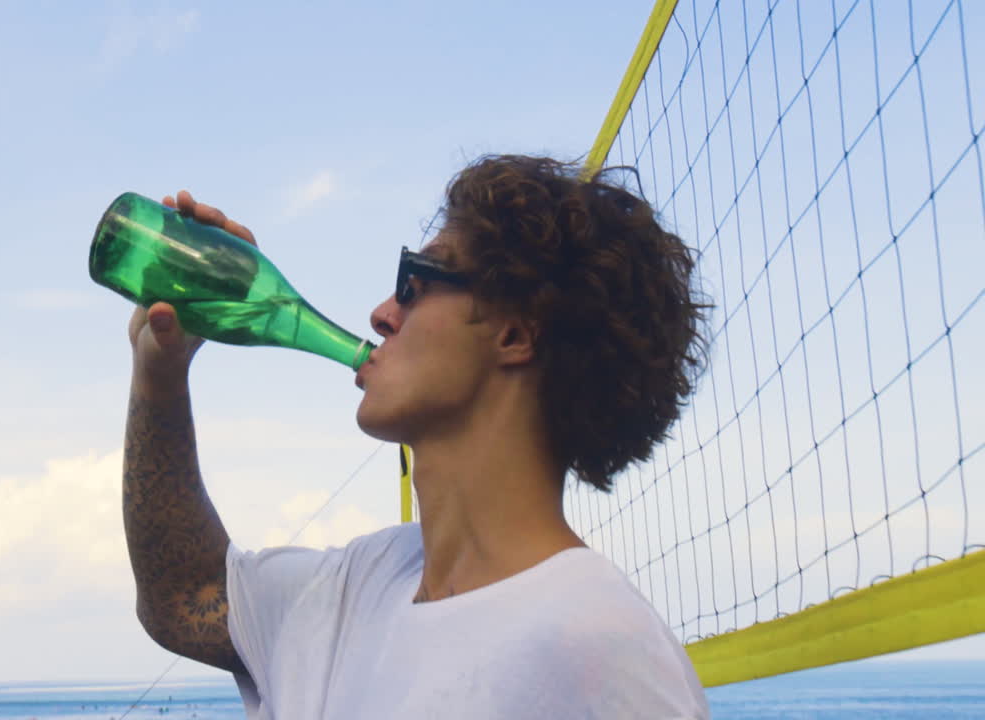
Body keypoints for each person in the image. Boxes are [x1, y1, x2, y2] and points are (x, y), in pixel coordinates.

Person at [122, 155, 711, 718]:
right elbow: (184, 596)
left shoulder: (610, 659)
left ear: (513, 334)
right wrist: (159, 373)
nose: (382, 314)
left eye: (415, 281)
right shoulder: (361, 580)